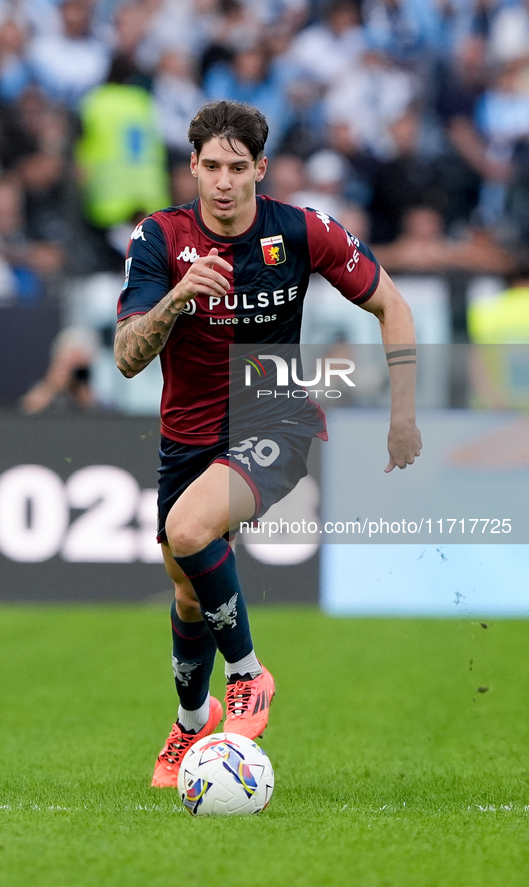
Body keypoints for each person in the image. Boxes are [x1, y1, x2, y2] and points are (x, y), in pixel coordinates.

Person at [114, 100, 421, 788]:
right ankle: (193, 723)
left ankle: (249, 675)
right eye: (210, 167)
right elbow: (127, 357)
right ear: (191, 166)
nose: (223, 182)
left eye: (237, 168)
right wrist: (176, 299)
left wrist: (402, 415)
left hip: (274, 418)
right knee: (187, 591)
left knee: (188, 527)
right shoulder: (160, 240)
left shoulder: (301, 231)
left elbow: (390, 304)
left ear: (260, 169)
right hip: (185, 436)